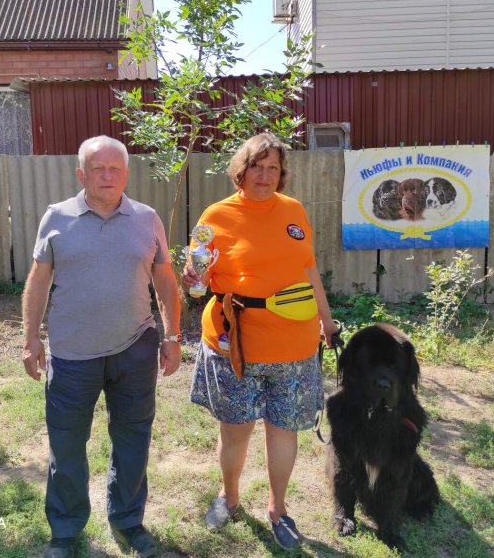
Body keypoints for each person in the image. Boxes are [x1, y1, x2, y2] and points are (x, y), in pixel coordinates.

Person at [22, 135, 181, 558]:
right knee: (67, 444)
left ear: (126, 174)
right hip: (72, 353)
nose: (107, 176)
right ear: (82, 174)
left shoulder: (146, 219)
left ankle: (128, 521)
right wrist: (30, 337)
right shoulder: (57, 217)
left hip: (135, 349)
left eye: (115, 169)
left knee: (132, 440)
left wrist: (171, 335)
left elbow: (165, 281)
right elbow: (38, 281)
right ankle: (65, 530)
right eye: (98, 168)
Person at [182, 132, 338, 551]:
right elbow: (199, 276)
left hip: (294, 345)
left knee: (283, 430)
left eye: (273, 168)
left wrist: (328, 323)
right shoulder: (216, 214)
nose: (264, 175)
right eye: (257, 166)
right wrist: (193, 279)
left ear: (281, 174)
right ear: (241, 169)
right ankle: (229, 496)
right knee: (235, 431)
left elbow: (309, 271)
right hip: (235, 345)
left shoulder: (294, 211)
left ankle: (278, 508)